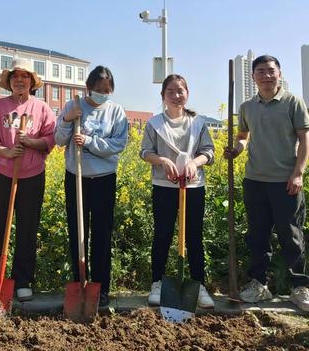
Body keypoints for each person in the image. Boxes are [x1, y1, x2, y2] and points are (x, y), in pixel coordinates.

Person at [224, 55, 309, 311]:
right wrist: (236, 150)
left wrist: (298, 173)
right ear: (253, 77)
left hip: (285, 181)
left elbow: (305, 139)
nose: (266, 75)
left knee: (291, 234)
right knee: (257, 235)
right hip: (255, 180)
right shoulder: (248, 106)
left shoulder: (293, 102)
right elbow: (243, 136)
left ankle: (299, 287)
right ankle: (258, 284)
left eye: (271, 71)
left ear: (279, 74)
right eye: (260, 71)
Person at [0, 57, 55, 303]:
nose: (20, 80)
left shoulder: (42, 108)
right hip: (3, 174)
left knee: (28, 227)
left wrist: (31, 142)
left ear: (31, 82)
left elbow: (50, 137)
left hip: (32, 175)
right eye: (15, 76)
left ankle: (23, 280)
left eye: (25, 76)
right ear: (9, 81)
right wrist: (6, 151)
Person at [55, 65, 128, 307]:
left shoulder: (116, 111)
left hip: (104, 179)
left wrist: (89, 141)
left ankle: (102, 288)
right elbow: (58, 140)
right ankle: (80, 283)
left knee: (102, 234)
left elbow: (118, 145)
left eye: (107, 91)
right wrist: (67, 119)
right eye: (98, 90)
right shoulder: (73, 106)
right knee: (78, 232)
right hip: (76, 176)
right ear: (88, 88)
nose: (102, 95)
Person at [140, 74, 215, 309]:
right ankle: (157, 283)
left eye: (180, 90)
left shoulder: (198, 123)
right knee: (162, 235)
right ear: (163, 96)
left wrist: (196, 162)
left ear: (187, 93)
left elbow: (208, 151)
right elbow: (145, 152)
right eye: (170, 91)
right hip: (164, 187)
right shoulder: (154, 124)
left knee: (194, 237)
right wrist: (162, 160)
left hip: (193, 186)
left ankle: (198, 284)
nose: (176, 95)